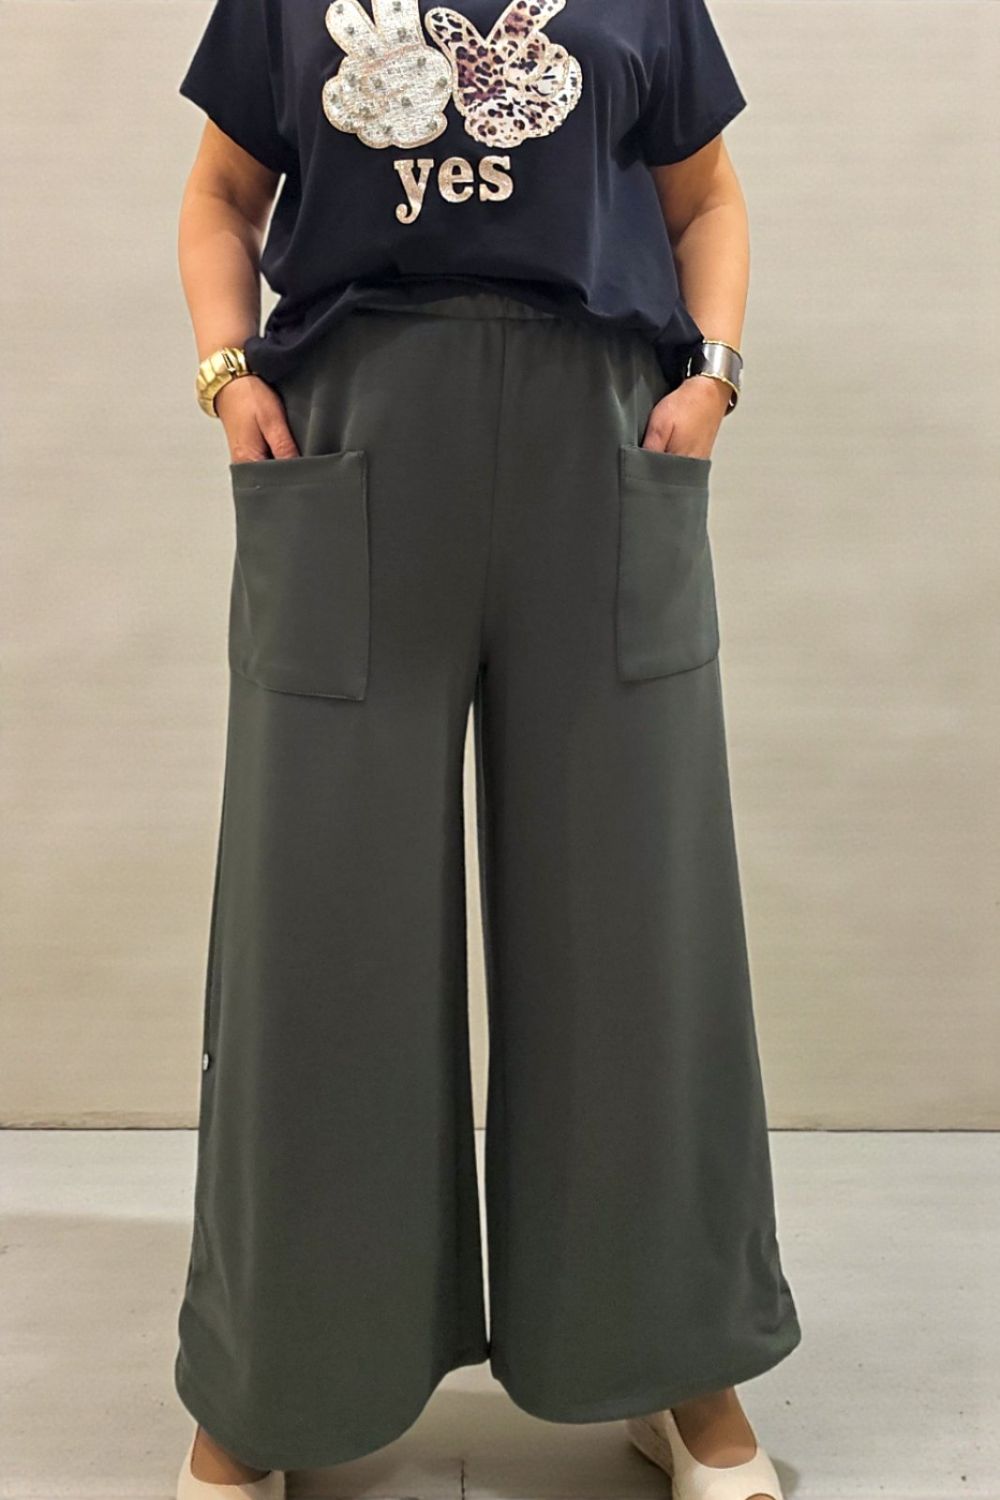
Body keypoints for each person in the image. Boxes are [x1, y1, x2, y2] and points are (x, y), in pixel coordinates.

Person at [172, 3, 803, 1498]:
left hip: (607, 434)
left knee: (633, 914)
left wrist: (713, 373)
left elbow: (706, 198)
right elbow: (221, 193)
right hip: (350, 436)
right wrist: (226, 371)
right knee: (318, 918)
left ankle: (670, 1361)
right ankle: (277, 1381)